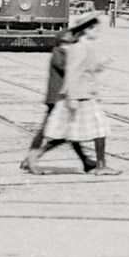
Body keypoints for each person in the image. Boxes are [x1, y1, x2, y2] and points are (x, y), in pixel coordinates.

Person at [24, 12, 120, 176]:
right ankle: (100, 166)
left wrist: (100, 64)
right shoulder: (78, 48)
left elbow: (85, 69)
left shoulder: (85, 47)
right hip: (80, 97)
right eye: (96, 29)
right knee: (97, 131)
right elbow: (72, 73)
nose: (98, 33)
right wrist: (73, 98)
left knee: (69, 134)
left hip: (85, 95)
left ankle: (35, 156)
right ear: (87, 30)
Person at [19, 27, 96, 173]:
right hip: (57, 98)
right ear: (63, 41)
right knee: (52, 131)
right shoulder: (58, 53)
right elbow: (69, 70)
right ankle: (31, 157)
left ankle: (85, 161)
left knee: (69, 130)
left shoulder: (63, 52)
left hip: (61, 97)